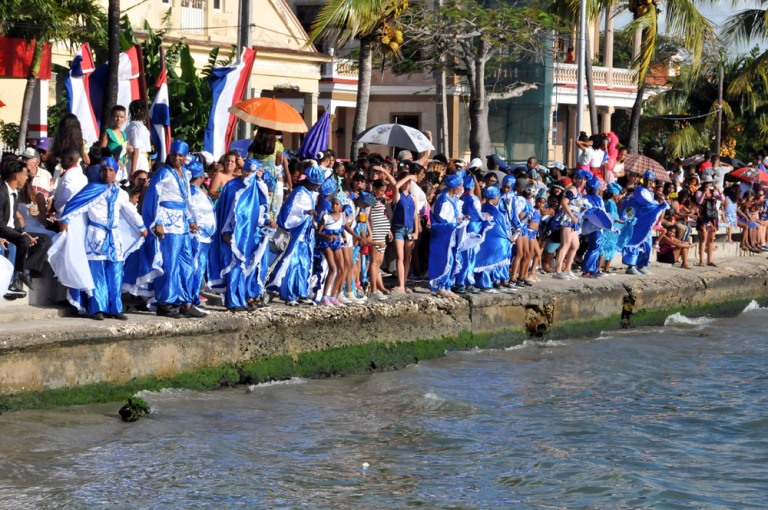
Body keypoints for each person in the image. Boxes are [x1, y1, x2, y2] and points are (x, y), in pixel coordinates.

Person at [49, 157, 148, 320]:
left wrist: (141, 227)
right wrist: (65, 220)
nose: (107, 173)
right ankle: (97, 308)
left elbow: (130, 210)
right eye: (104, 170)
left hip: (114, 237)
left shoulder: (120, 193)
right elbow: (76, 205)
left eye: (111, 170)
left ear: (116, 173)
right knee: (97, 273)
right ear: (100, 171)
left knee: (116, 272)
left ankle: (115, 308)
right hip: (96, 235)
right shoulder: (92, 189)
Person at [125, 140, 206, 318]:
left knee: (187, 264)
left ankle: (185, 302)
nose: (177, 158)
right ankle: (166, 303)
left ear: (185, 157)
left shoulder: (185, 173)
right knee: (170, 264)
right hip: (168, 225)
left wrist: (191, 219)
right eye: (174, 155)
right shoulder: (162, 173)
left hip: (183, 224)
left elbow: (186, 200)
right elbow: (154, 198)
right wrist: (157, 222)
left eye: (181, 156)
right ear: (170, 155)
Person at [210, 159, 270, 311]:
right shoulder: (232, 186)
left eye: (252, 171)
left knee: (243, 267)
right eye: (247, 171)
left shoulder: (257, 187)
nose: (248, 174)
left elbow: (261, 210)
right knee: (233, 266)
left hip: (249, 234)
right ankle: (232, 301)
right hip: (234, 233)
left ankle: (241, 299)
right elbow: (225, 211)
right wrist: (226, 231)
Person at [266, 165, 324, 306]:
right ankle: (289, 294)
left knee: (305, 264)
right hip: (296, 235)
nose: (317, 187)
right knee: (292, 264)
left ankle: (301, 292)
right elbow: (290, 211)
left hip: (306, 236)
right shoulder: (299, 192)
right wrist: (305, 213)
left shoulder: (312, 193)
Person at [0, 159, 51, 299]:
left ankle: (24, 272)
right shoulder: (1, 193)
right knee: (19, 241)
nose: (27, 177)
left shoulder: (14, 193)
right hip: (3, 231)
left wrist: (23, 233)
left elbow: (14, 223)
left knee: (43, 239)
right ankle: (14, 280)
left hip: (11, 230)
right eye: (24, 174)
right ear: (17, 176)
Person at [428, 172, 465, 298]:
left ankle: (448, 285)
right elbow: (440, 218)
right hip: (444, 235)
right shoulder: (442, 199)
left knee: (452, 259)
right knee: (444, 259)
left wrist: (460, 219)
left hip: (452, 234)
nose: (461, 188)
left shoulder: (453, 199)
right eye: (459, 186)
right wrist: (455, 223)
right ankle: (440, 285)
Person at [187, 160, 216, 309]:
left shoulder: (197, 192)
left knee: (198, 268)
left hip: (203, 237)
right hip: (197, 237)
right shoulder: (192, 193)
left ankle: (193, 297)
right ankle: (191, 298)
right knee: (196, 267)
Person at [474, 185, 512, 292]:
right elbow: (501, 226)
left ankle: (496, 279)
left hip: (489, 237)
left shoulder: (485, 207)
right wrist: (508, 237)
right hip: (496, 238)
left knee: (489, 259)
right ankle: (486, 282)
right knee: (489, 260)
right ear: (495, 197)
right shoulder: (493, 210)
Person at [695, 175, 722, 267]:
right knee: (703, 239)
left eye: (710, 182)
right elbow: (699, 201)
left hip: (713, 217)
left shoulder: (713, 192)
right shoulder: (699, 191)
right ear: (704, 183)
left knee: (711, 239)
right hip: (703, 217)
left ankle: (709, 260)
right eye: (707, 182)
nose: (708, 184)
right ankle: (701, 260)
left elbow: (721, 199)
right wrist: (704, 193)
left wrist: (719, 192)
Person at [53, 147, 89, 217]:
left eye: (63, 159)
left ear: (70, 160)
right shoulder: (83, 176)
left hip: (65, 214)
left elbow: (66, 197)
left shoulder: (69, 176)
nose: (61, 161)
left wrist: (55, 206)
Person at [99, 105, 129, 183]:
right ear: (112, 118)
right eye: (116, 116)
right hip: (110, 169)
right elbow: (102, 150)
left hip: (121, 168)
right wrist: (115, 159)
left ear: (125, 119)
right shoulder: (108, 133)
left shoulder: (124, 135)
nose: (119, 119)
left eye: (121, 117)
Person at [125, 99, 152, 179]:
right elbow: (136, 149)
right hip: (137, 161)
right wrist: (133, 171)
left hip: (140, 160)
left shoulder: (136, 126)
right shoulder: (136, 127)